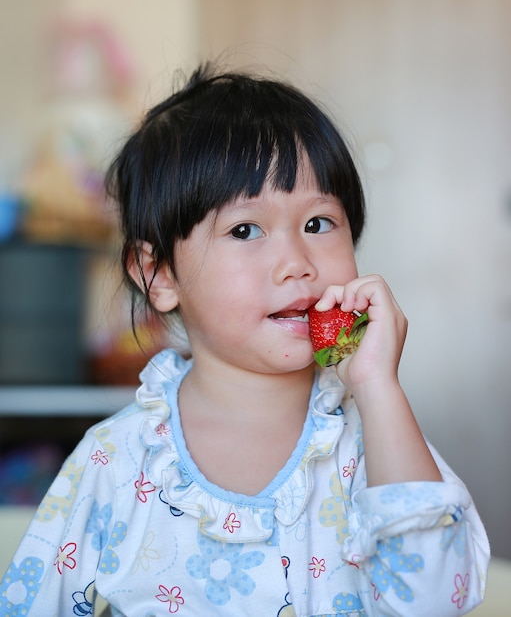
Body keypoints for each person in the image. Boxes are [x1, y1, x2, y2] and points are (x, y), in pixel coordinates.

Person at [0, 64, 489, 617]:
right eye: (245, 230)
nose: (297, 264)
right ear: (158, 274)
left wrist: (379, 387)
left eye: (319, 223)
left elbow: (435, 603)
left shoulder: (369, 441)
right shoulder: (116, 463)